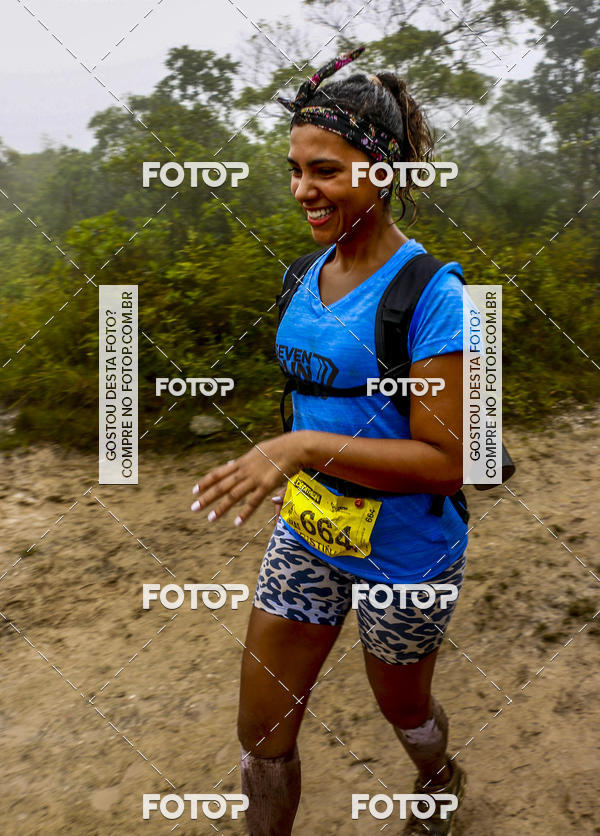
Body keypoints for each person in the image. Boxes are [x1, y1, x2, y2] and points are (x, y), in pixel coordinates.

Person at [191, 45, 468, 835]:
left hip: (407, 552)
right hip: (309, 531)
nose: (302, 190)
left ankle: (439, 774)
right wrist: (301, 457)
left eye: (325, 171)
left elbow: (450, 460)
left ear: (378, 172)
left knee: (402, 706)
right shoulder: (304, 276)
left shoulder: (436, 296)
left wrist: (301, 449)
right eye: (295, 169)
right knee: (260, 733)